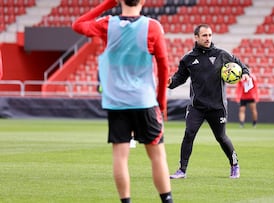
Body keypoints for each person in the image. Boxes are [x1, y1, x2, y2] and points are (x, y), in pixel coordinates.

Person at [72, 0, 173, 202]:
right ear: (143, 1)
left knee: (120, 156)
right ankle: (167, 200)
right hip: (144, 101)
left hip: (116, 102)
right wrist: (161, 102)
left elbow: (78, 24)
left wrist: (107, 4)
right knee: (157, 155)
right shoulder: (152, 27)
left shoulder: (108, 24)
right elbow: (164, 68)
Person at [167, 24, 250, 179]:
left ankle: (234, 165)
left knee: (221, 137)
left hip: (217, 106)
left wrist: (245, 73)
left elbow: (240, 64)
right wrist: (170, 82)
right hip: (196, 106)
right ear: (196, 37)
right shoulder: (188, 59)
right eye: (204, 35)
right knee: (189, 134)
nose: (208, 38)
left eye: (210, 35)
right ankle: (182, 170)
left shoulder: (221, 54)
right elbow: (180, 77)